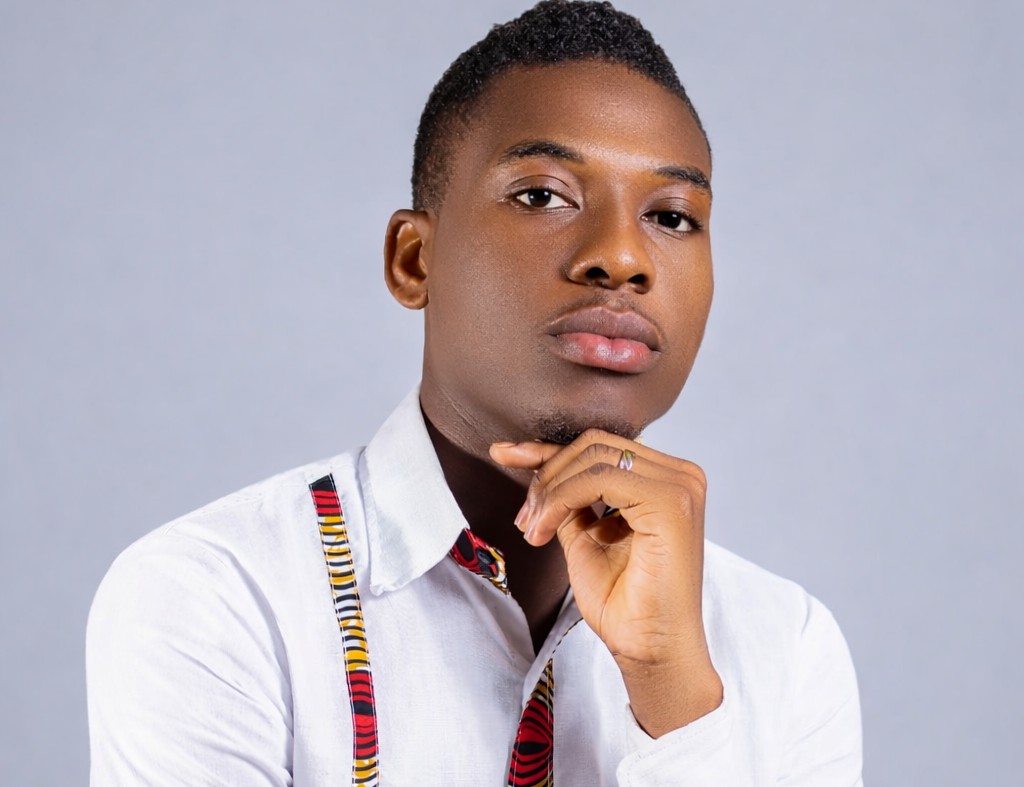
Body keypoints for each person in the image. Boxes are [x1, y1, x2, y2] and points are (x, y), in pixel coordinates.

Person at [86, 1, 862, 784]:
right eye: (542, 195)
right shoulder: (218, 600)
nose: (623, 257)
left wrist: (672, 685)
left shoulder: (785, 644)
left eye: (671, 215)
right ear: (414, 261)